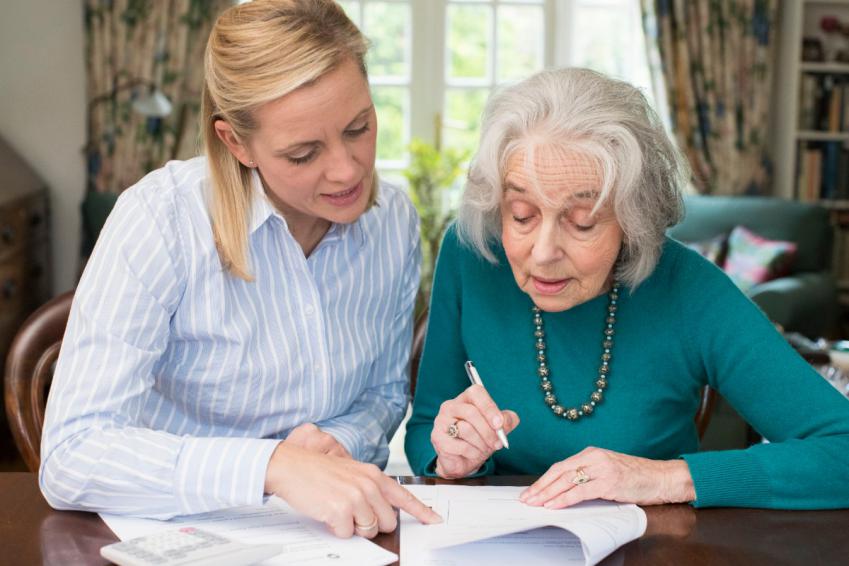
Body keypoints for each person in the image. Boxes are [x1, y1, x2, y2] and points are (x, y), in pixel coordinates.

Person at [40, 0, 440, 538]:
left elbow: (384, 394)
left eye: (359, 127)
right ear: (235, 141)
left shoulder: (392, 222)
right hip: (175, 532)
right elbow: (72, 454)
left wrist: (336, 445)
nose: (347, 170)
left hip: (326, 534)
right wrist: (273, 466)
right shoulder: (161, 220)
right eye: (302, 154)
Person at [405, 67, 849, 509]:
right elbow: (426, 427)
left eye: (582, 223)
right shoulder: (472, 253)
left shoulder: (688, 288)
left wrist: (666, 479)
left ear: (634, 221)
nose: (542, 253)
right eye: (521, 214)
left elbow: (841, 448)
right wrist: (450, 456)